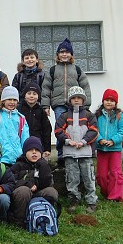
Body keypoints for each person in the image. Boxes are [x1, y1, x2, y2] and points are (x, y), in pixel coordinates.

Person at [41, 38, 92, 166]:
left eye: (67, 52)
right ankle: (61, 155)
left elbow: (85, 87)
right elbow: (46, 88)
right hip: (58, 105)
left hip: (75, 106)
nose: (64, 54)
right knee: (61, 130)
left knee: (74, 129)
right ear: (57, 55)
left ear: (71, 55)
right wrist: (45, 105)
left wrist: (86, 105)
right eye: (62, 52)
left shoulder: (77, 70)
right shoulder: (52, 70)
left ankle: (76, 153)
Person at [55, 86, 99, 214]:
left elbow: (94, 131)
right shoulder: (64, 116)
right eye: (73, 98)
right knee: (71, 177)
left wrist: (83, 141)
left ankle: (91, 200)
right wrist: (68, 141)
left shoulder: (89, 115)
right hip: (69, 153)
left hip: (86, 152)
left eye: (79, 98)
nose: (76, 100)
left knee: (88, 177)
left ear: (83, 100)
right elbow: (58, 130)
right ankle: (73, 199)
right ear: (69, 100)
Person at [9, 137, 59, 226]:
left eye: (37, 150)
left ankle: (47, 216)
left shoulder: (44, 165)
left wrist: (44, 167)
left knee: (51, 191)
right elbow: (10, 181)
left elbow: (48, 184)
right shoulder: (18, 165)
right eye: (30, 150)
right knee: (23, 190)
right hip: (23, 195)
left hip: (39, 193)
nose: (34, 152)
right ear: (25, 152)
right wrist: (27, 184)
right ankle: (20, 221)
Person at [95, 88, 123, 202]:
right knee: (101, 175)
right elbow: (94, 129)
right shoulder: (97, 115)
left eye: (112, 100)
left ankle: (115, 196)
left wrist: (113, 141)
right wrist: (99, 140)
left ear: (116, 103)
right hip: (101, 149)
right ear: (103, 101)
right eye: (107, 100)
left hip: (115, 149)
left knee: (115, 173)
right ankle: (106, 192)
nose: (109, 102)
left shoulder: (119, 116)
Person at [0, 86, 30, 165]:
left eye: (14, 100)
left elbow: (25, 140)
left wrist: (24, 156)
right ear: (3, 101)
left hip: (18, 159)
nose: (12, 102)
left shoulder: (21, 118)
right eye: (9, 99)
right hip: (0, 160)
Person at [18, 83, 52, 160]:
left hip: (37, 143)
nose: (31, 96)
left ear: (38, 96)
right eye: (29, 93)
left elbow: (46, 130)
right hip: (22, 143)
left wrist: (47, 148)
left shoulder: (41, 111)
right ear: (24, 95)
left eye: (34, 94)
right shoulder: (19, 110)